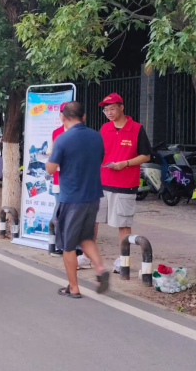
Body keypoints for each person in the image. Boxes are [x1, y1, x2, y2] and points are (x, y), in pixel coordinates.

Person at [46, 101, 109, 298]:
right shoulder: (96, 137)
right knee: (85, 238)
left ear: (63, 117)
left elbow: (51, 168)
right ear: (84, 117)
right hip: (93, 196)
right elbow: (100, 159)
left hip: (71, 199)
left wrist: (51, 158)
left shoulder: (62, 139)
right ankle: (100, 268)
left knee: (68, 245)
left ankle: (73, 287)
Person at [95, 93, 151, 273]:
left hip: (125, 184)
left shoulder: (137, 128)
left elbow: (145, 155)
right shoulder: (105, 128)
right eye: (106, 110)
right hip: (102, 182)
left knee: (123, 223)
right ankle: (88, 256)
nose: (109, 113)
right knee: (92, 220)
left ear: (121, 107)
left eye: (112, 109)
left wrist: (125, 163)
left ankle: (123, 260)